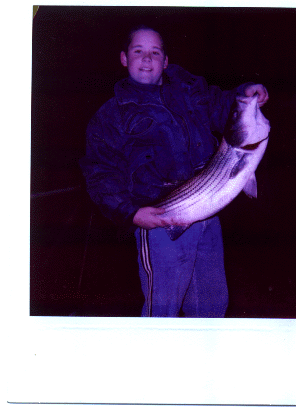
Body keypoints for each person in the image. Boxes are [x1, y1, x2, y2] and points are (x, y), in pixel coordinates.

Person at [79, 25, 269, 317]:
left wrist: (244, 94)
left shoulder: (187, 88)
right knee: (162, 310)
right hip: (158, 222)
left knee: (211, 307)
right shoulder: (111, 115)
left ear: (165, 61)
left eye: (155, 52)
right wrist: (131, 213)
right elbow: (99, 172)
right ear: (123, 58)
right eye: (138, 51)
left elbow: (221, 106)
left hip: (207, 218)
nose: (146, 58)